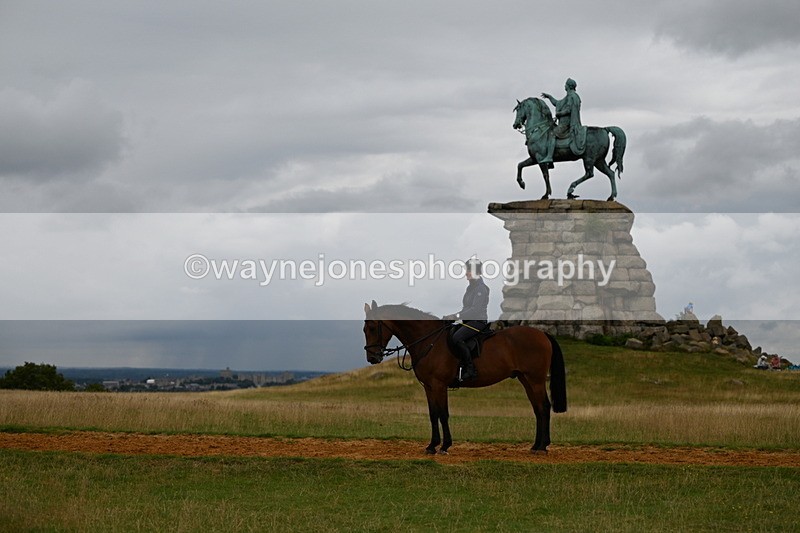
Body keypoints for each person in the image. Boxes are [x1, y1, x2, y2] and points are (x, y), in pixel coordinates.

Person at [443, 258, 490, 382]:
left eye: (468, 270)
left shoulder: (481, 289)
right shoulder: (471, 288)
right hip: (468, 322)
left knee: (457, 338)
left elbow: (474, 310)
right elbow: (466, 309)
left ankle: (470, 369)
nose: (466, 273)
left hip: (478, 322)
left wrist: (455, 316)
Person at [540, 78, 586, 163]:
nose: (564, 86)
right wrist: (549, 97)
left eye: (565, 84)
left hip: (566, 124)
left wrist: (559, 114)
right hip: (564, 123)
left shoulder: (571, 96)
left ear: (568, 86)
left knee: (552, 133)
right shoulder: (570, 96)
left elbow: (568, 110)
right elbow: (557, 103)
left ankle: (549, 157)